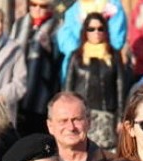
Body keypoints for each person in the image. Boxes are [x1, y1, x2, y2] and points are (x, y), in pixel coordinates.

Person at [64, 12, 127, 151]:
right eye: (91, 29)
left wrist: (121, 118)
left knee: (106, 156)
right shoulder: (76, 57)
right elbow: (68, 89)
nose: (96, 32)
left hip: (107, 117)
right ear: (85, 31)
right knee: (81, 152)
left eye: (100, 28)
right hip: (81, 116)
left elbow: (121, 89)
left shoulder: (114, 56)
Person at [10, 0, 59, 135]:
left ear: (50, 7)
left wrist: (50, 47)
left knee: (37, 134)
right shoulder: (20, 24)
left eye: (42, 6)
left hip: (42, 90)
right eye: (33, 4)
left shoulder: (57, 26)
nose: (37, 9)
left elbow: (60, 59)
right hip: (19, 88)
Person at [56, 0, 127, 85]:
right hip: (78, 71)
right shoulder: (75, 9)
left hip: (105, 69)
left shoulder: (113, 6)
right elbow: (65, 35)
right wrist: (80, 51)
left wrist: (98, 47)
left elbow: (116, 39)